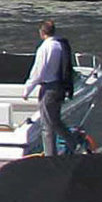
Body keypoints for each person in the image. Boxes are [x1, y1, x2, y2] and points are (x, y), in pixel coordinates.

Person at [26, 20, 76, 158]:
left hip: (48, 88)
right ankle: (72, 142)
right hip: (60, 87)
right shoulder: (60, 45)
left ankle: (50, 157)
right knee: (55, 121)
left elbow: (38, 72)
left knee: (47, 126)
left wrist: (27, 89)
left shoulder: (45, 48)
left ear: (42, 32)